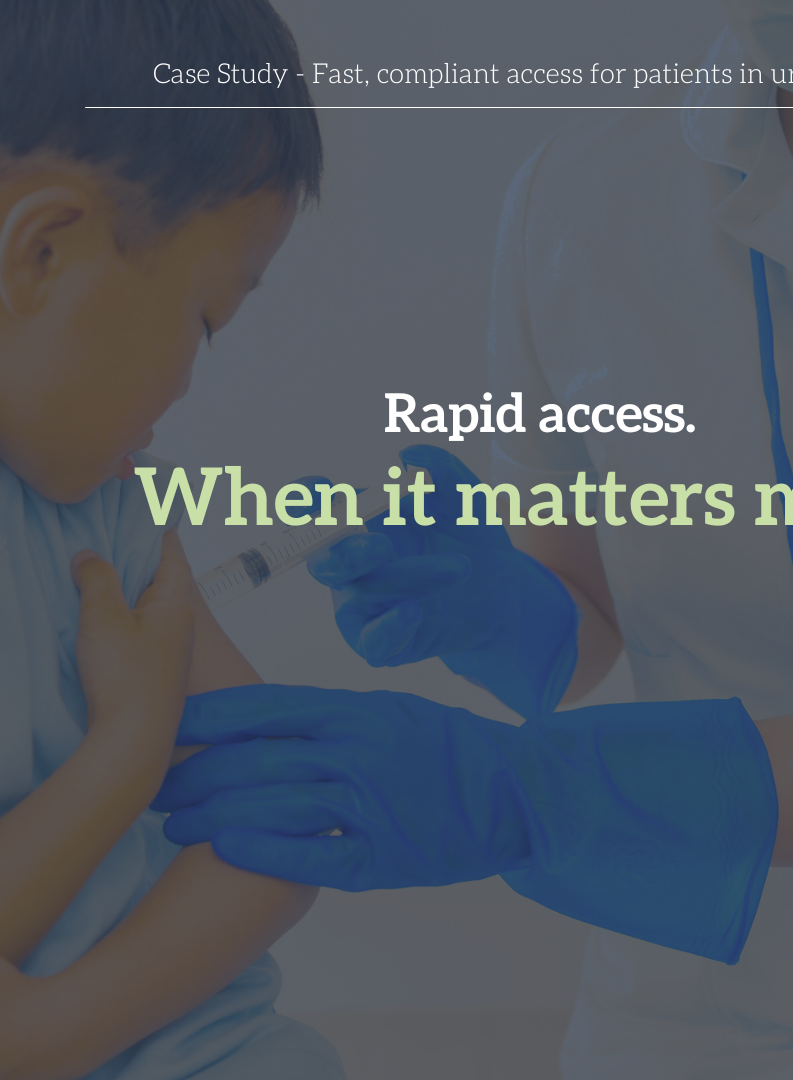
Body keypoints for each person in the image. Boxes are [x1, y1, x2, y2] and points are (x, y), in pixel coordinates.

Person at [157, 0, 793, 1075]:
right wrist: (498, 602)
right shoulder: (583, 200)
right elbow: (586, 610)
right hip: (684, 1028)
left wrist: (524, 791)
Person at [0, 2, 346, 1076]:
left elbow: (292, 821)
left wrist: (51, 1032)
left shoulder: (102, 508)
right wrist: (129, 746)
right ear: (43, 253)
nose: (192, 381)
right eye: (206, 320)